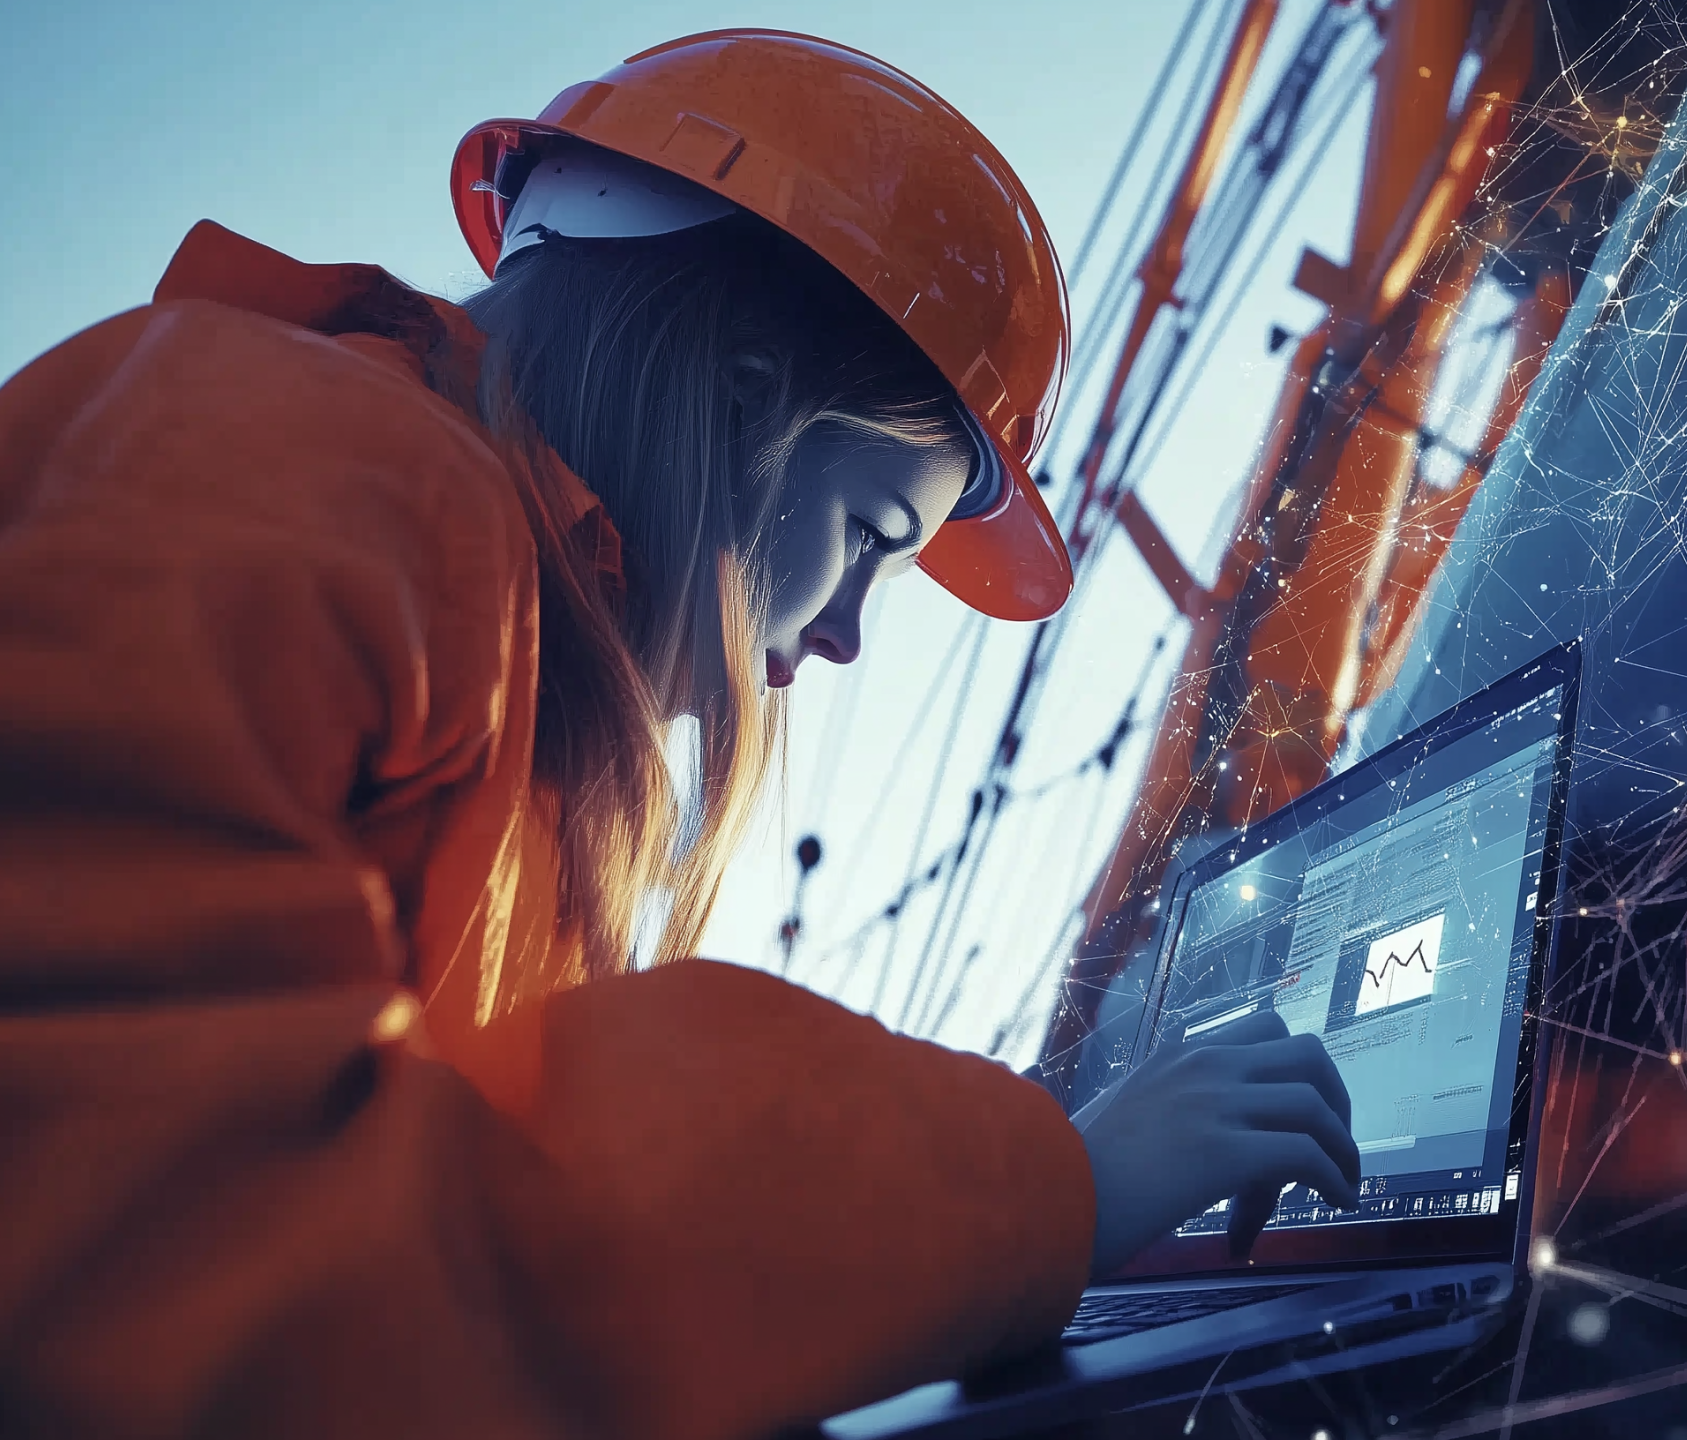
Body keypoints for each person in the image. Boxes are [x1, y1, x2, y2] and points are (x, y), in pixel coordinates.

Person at [0, 30, 1358, 1439]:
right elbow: (156, 1257)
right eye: (870, 534)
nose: (840, 640)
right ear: (742, 390)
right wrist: (1037, 1192)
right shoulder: (261, 454)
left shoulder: (468, 612)